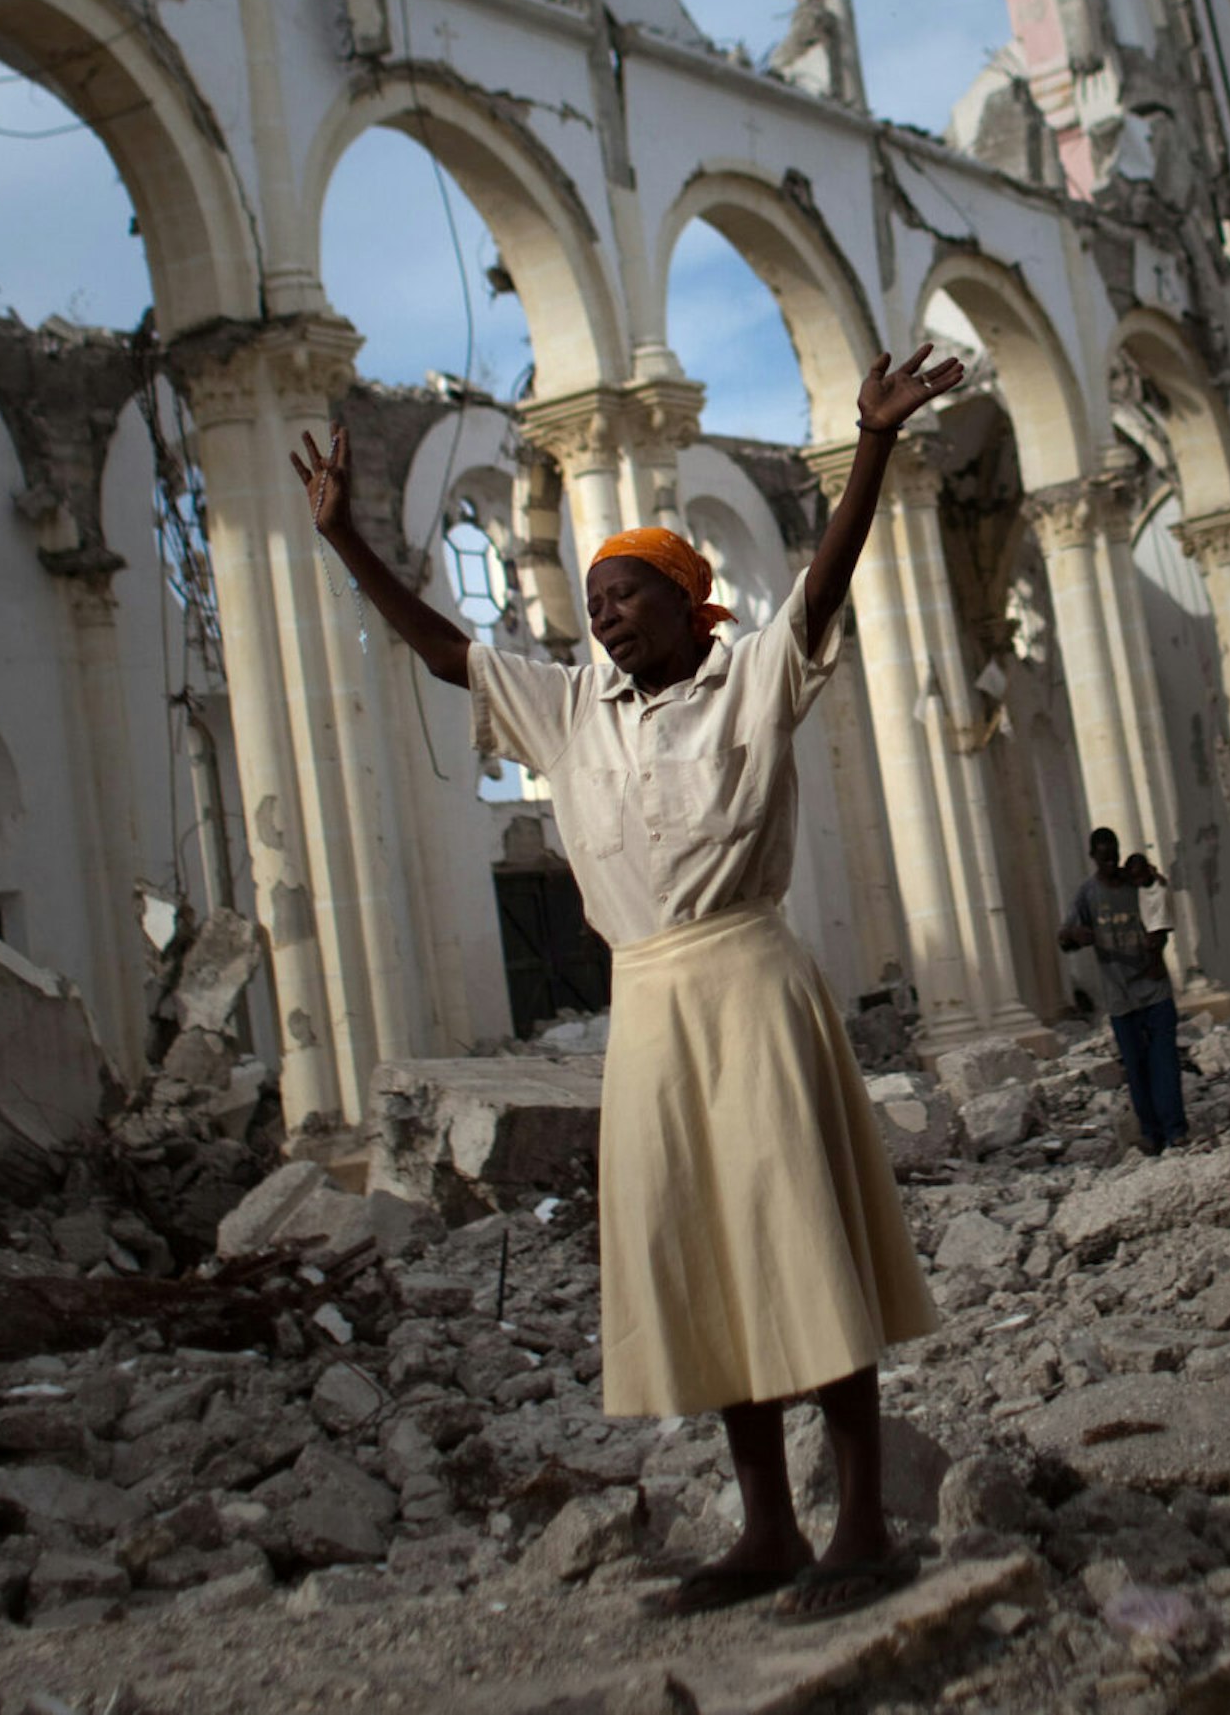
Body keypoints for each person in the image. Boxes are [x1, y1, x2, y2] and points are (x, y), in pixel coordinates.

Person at [290, 342, 966, 1623]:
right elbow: (447, 652)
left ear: (687, 600)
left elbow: (825, 581)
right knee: (704, 1257)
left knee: (805, 1249)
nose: (603, 615)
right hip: (648, 1004)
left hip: (751, 982)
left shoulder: (753, 674)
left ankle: (864, 1520)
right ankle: (766, 1524)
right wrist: (347, 543)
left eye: (626, 595)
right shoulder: (571, 710)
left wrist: (870, 444)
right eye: (595, 600)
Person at [1059, 829, 1186, 1152]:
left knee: (1165, 1062)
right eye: (1104, 858)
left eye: (1114, 856)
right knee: (1137, 1069)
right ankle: (1152, 1133)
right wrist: (1077, 935)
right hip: (1120, 998)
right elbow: (1064, 939)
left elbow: (1160, 917)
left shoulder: (1139, 884)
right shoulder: (1088, 894)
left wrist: (1157, 949)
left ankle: (1175, 1129)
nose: (1111, 863)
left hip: (1154, 988)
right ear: (1093, 857)